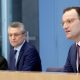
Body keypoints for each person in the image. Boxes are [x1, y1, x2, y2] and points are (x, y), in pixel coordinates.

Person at [62, 6, 80, 72]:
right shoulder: (72, 49)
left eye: (69, 21)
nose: (64, 27)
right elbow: (67, 74)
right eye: (63, 23)